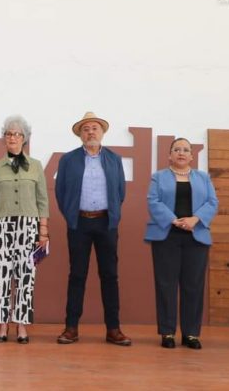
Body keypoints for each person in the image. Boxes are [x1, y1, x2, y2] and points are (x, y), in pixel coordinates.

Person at [54, 111, 131, 346]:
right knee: (77, 275)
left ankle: (114, 329)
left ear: (102, 132)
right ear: (80, 135)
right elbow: (60, 192)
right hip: (79, 223)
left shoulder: (114, 159)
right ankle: (71, 328)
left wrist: (113, 216)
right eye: (85, 129)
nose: (90, 132)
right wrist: (70, 216)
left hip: (106, 223)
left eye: (95, 128)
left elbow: (120, 192)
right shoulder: (68, 160)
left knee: (110, 276)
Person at [145, 138, 218, 349]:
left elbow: (212, 202)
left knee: (193, 286)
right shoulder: (158, 177)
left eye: (186, 150)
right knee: (166, 285)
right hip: (166, 235)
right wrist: (173, 219)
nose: (181, 153)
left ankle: (191, 334)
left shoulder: (203, 178)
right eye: (177, 149)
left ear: (192, 156)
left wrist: (195, 219)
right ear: (170, 155)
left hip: (196, 235)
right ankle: (167, 332)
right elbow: (153, 201)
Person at [0, 115, 49, 345]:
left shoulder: (37, 166)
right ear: (4, 139)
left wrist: (43, 232)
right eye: (9, 134)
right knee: (0, 277)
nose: (12, 137)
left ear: (25, 139)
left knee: (25, 277)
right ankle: (2, 325)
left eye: (17, 134)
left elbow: (43, 201)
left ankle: (21, 325)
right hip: (1, 228)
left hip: (29, 228)